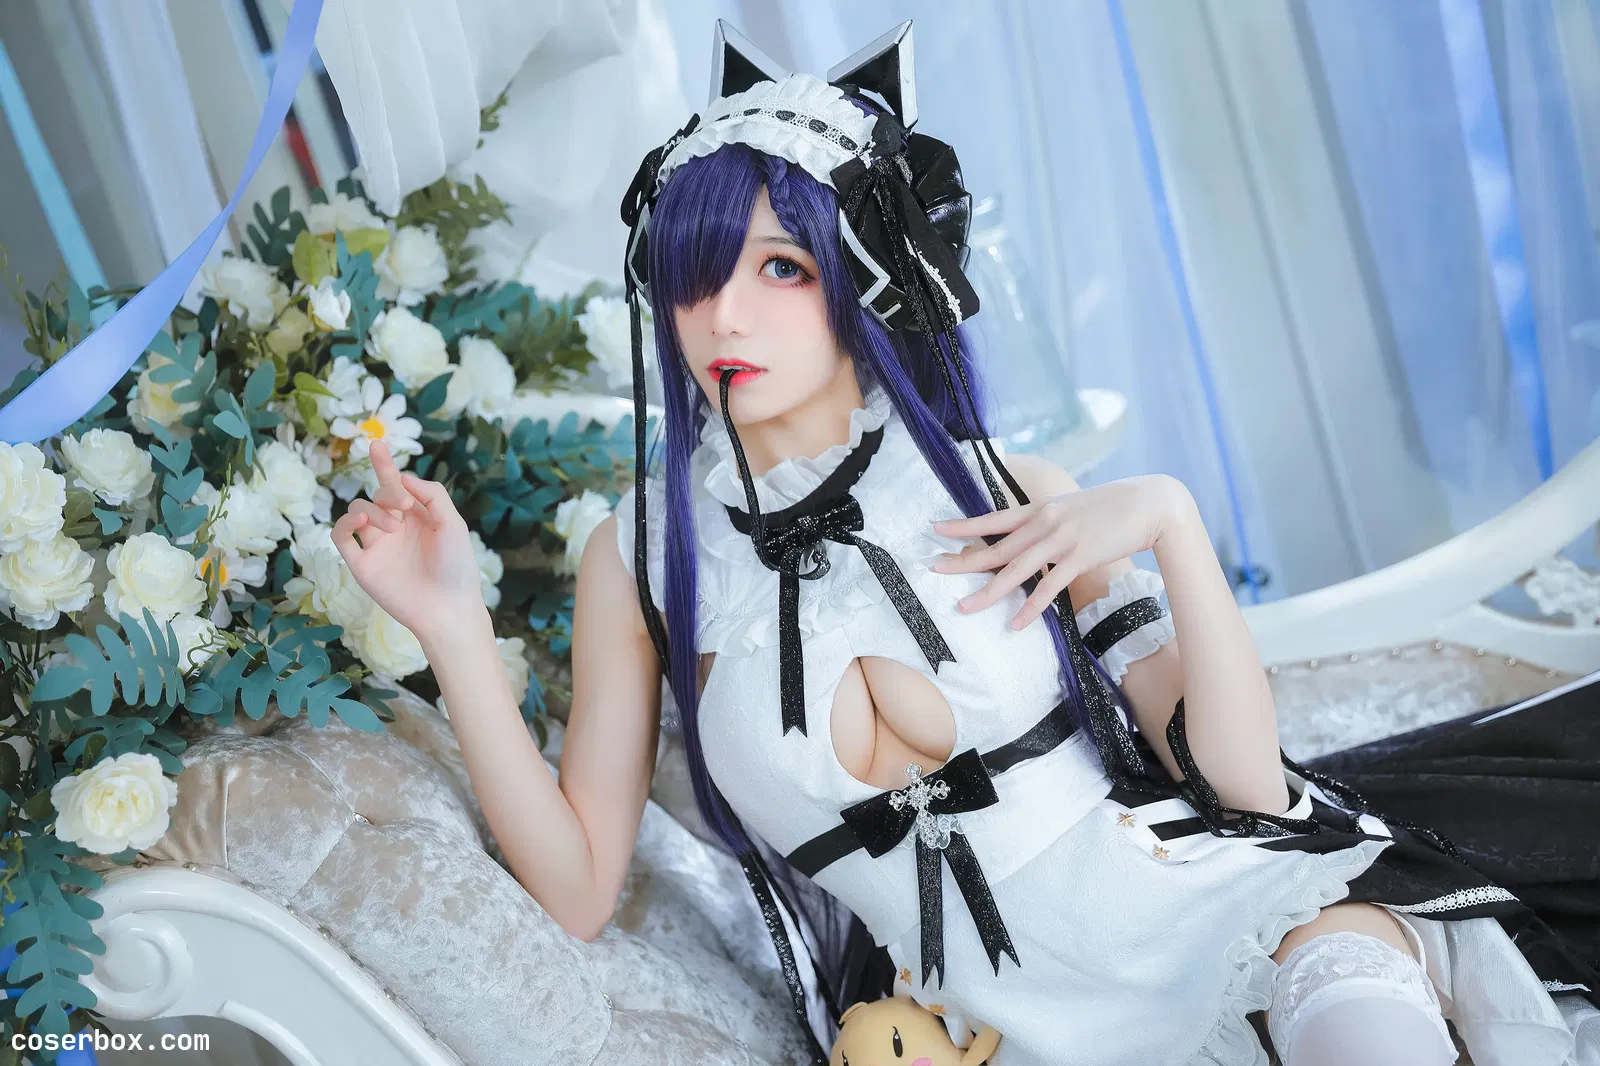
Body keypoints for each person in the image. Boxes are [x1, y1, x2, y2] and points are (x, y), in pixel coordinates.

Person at [333, 19, 1600, 1066]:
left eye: (780, 268)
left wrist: (1170, 521)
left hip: (1208, 917)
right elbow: (575, 888)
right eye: (695, 274)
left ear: (867, 276)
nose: (722, 315)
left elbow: (1245, 787)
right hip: (974, 1030)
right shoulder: (644, 557)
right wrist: (451, 623)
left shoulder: (1002, 486)